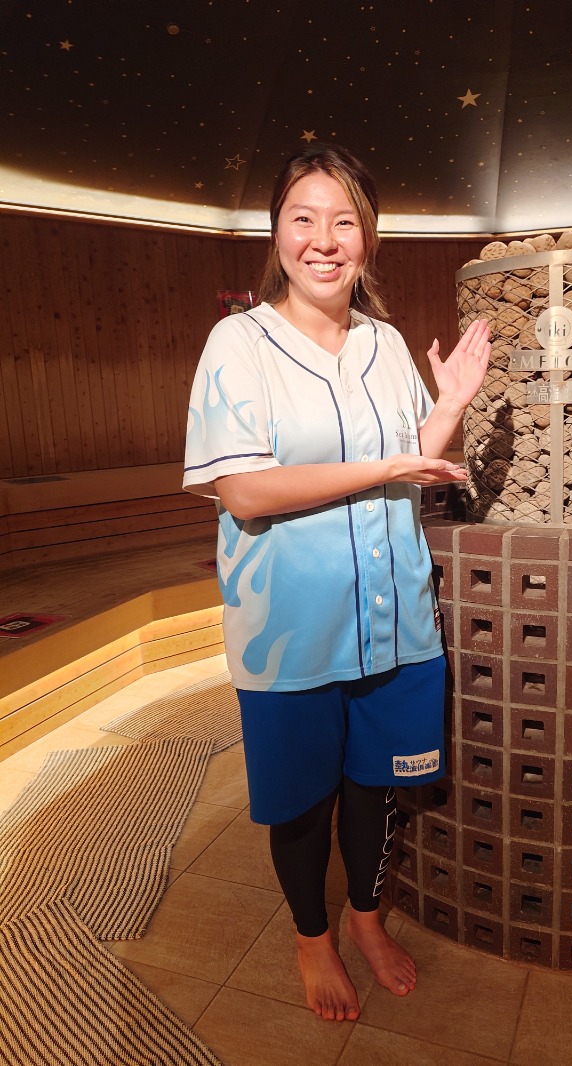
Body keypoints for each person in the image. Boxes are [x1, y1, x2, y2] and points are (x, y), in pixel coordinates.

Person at [183, 143, 490, 1022]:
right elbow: (241, 489)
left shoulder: (386, 343)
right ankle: (310, 937)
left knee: (374, 789)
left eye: (343, 220)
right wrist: (383, 464)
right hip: (291, 629)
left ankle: (363, 919)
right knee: (302, 807)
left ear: (369, 237)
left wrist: (450, 407)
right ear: (276, 232)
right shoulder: (238, 345)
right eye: (303, 218)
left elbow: (409, 466)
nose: (324, 240)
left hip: (393, 622)